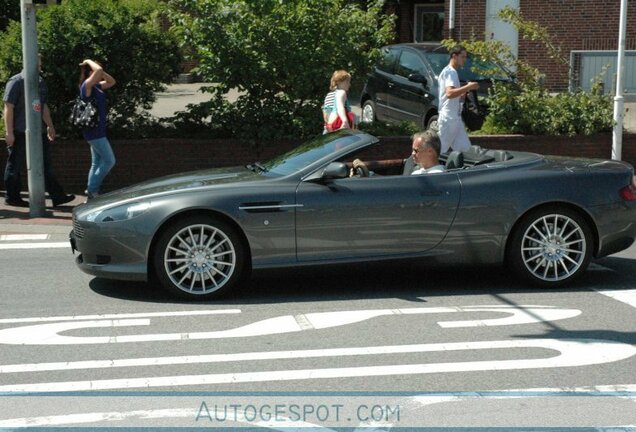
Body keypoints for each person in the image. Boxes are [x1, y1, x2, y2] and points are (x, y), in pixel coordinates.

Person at [3, 58, 75, 208]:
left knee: (46, 165)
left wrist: (50, 126)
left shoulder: (40, 82)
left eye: (40, 63)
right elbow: (8, 108)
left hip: (38, 132)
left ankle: (57, 196)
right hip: (20, 131)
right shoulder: (16, 81)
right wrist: (9, 132)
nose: (40, 66)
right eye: (37, 63)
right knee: (14, 165)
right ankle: (12, 197)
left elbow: (43, 106)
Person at [79, 59, 116, 200]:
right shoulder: (86, 86)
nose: (100, 73)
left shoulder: (97, 87)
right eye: (97, 71)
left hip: (98, 131)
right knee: (109, 161)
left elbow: (112, 82)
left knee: (96, 162)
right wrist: (88, 61)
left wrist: (100, 71)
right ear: (90, 73)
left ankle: (91, 194)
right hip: (94, 132)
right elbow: (98, 71)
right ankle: (91, 190)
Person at [437, 45, 480, 154]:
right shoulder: (450, 72)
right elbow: (449, 93)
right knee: (439, 150)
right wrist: (469, 87)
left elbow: (451, 95)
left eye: (465, 57)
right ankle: (427, 168)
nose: (464, 60)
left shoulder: (450, 71)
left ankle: (470, 170)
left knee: (466, 150)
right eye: (462, 57)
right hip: (448, 119)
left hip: (455, 118)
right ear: (454, 56)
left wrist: (462, 93)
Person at [350, 131, 444, 176]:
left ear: (430, 151)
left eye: (416, 150)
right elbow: (394, 184)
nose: (412, 154)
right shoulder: (418, 172)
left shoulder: (437, 176)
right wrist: (368, 174)